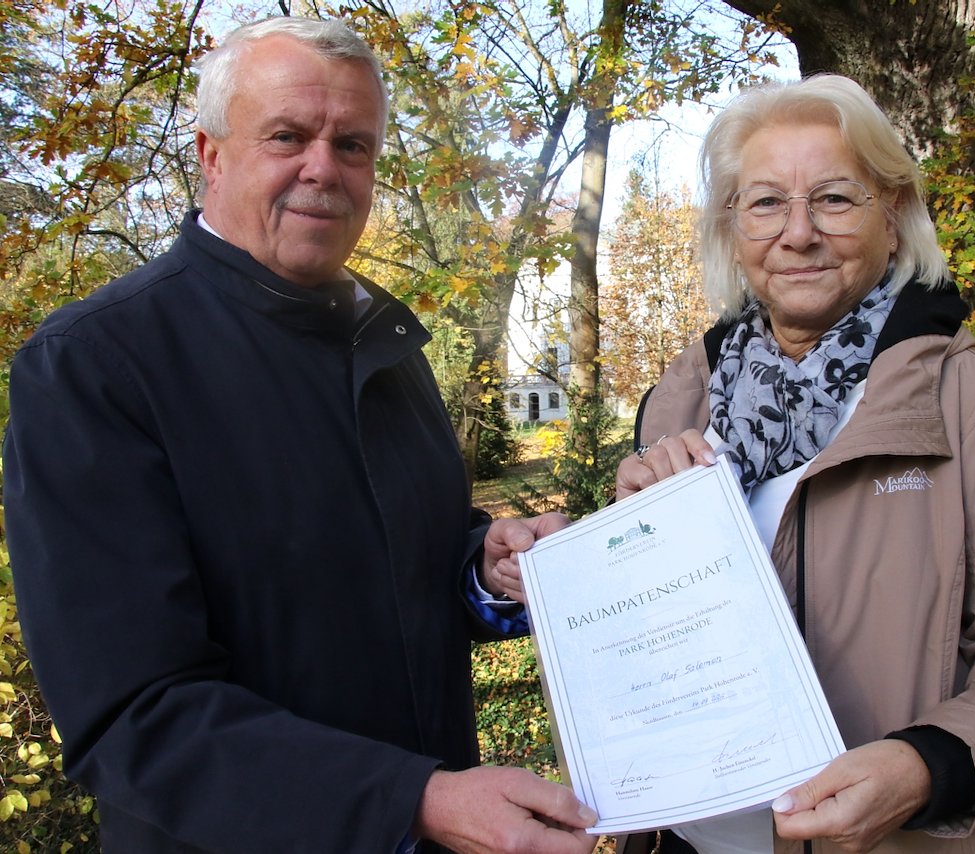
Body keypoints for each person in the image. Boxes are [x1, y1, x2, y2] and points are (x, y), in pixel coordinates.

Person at [3, 17, 596, 854]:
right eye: (287, 136)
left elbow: (397, 566)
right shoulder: (97, 365)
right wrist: (411, 802)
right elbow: (134, 713)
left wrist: (485, 568)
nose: (324, 167)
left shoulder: (388, 345)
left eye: (353, 145)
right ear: (211, 155)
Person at [610, 75, 975, 853]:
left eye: (835, 198)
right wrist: (626, 546)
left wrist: (930, 767)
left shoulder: (973, 406)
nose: (799, 233)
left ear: (895, 216)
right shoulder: (678, 402)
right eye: (766, 202)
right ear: (733, 228)